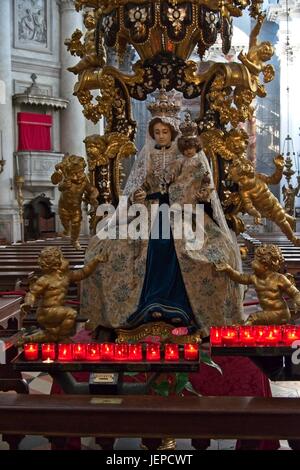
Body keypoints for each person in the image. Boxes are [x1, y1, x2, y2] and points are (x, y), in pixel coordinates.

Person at [81, 90, 243, 337]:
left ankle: (183, 307)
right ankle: (146, 305)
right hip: (150, 211)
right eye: (156, 132)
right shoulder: (147, 154)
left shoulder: (188, 153)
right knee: (115, 249)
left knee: (206, 251)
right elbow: (140, 184)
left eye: (165, 132)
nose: (160, 136)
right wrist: (139, 195)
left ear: (174, 131)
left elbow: (201, 183)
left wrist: (193, 193)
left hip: (183, 212)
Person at [19, 247, 107, 344]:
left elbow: (83, 273)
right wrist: (28, 303)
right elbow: (32, 293)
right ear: (55, 263)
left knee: (52, 334)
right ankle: (62, 338)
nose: (65, 261)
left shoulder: (66, 276)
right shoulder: (45, 280)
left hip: (58, 310)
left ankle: (31, 339)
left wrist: (95, 260)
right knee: (71, 313)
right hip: (46, 312)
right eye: (62, 258)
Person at [216, 244, 300, 325]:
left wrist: (297, 301)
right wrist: (229, 270)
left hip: (281, 313)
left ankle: (240, 334)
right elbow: (240, 278)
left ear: (266, 265)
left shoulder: (279, 278)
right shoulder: (255, 277)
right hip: (268, 313)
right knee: (259, 325)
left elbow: (295, 293)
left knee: (253, 319)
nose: (252, 263)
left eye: (256, 261)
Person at [51, 155, 98, 250]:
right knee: (65, 222)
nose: (76, 177)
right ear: (69, 172)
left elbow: (92, 189)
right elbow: (58, 185)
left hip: (76, 207)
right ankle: (66, 229)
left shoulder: (84, 180)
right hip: (63, 206)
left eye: (79, 173)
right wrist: (64, 185)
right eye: (73, 173)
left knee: (76, 224)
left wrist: (93, 195)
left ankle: (74, 240)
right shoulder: (66, 178)